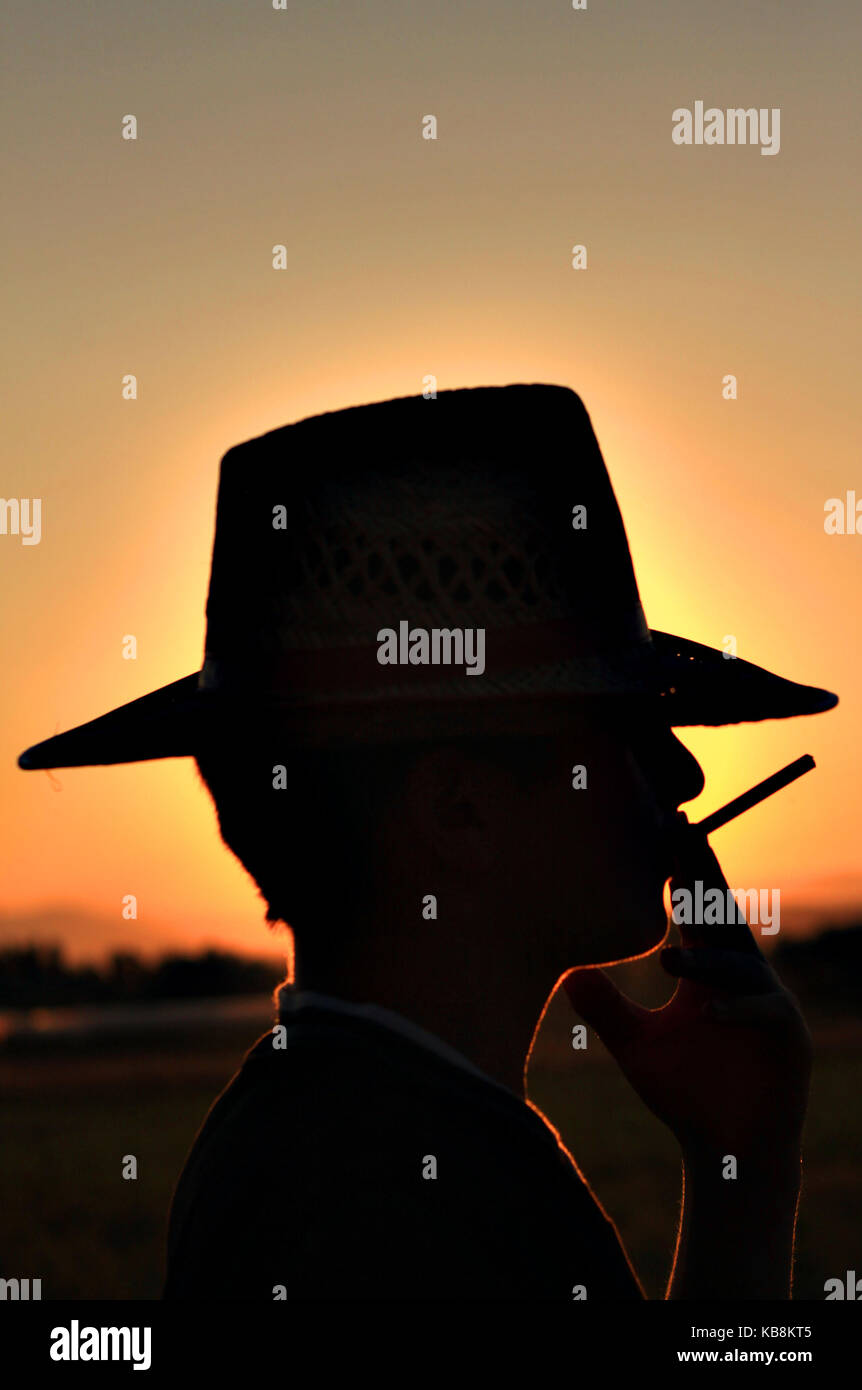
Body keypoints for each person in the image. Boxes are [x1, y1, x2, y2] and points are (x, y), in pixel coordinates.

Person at [18, 385, 837, 1299]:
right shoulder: (408, 1210)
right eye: (630, 733)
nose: (684, 778)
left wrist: (743, 1171)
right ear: (456, 809)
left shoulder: (331, 1139)